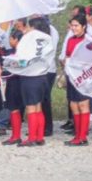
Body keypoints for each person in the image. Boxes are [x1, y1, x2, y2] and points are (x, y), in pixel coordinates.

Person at [5, 17, 54, 147]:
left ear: (33, 27)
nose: (26, 30)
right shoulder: (47, 39)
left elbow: (22, 59)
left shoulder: (30, 39)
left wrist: (8, 63)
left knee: (31, 108)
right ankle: (39, 137)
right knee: (38, 107)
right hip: (42, 76)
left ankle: (31, 138)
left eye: (28, 27)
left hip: (30, 77)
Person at [64, 14, 92, 146]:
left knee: (83, 105)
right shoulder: (70, 40)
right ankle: (77, 135)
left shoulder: (88, 40)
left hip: (83, 76)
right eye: (72, 25)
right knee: (73, 105)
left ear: (84, 26)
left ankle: (83, 137)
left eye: (76, 26)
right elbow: (68, 55)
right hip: (72, 75)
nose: (73, 28)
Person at [1, 30, 25, 146]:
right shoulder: (12, 51)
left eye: (11, 39)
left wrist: (3, 72)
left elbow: (19, 67)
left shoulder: (22, 53)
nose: (9, 41)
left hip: (17, 82)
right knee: (13, 109)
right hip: (12, 82)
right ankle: (15, 135)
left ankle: (16, 136)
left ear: (16, 40)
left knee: (15, 109)